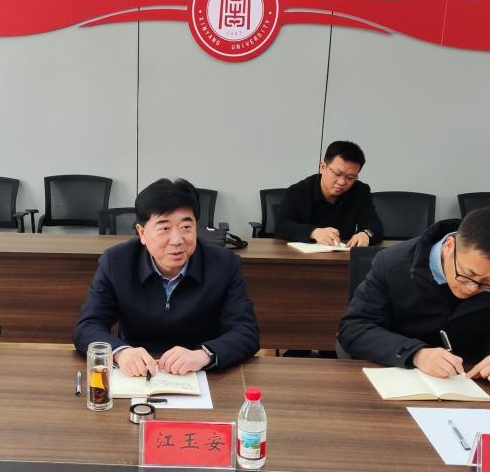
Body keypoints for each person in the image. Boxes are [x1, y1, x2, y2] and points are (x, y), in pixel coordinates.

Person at [338, 207, 490, 383]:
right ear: (449, 246)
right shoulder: (393, 263)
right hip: (396, 374)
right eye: (467, 275)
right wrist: (416, 354)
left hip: (469, 381)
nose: (472, 288)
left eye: (489, 283)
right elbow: (355, 328)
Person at [73, 178, 259, 376]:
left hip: (200, 372)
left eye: (186, 227)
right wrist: (120, 352)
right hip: (137, 372)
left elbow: (246, 331)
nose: (177, 240)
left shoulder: (223, 263)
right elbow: (88, 326)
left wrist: (204, 355)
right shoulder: (116, 262)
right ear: (142, 233)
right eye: (164, 228)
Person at [276, 140, 384, 247]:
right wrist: (313, 232)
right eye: (337, 174)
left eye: (350, 177)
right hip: (303, 255)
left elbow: (375, 226)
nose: (342, 182)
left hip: (342, 255)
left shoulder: (360, 191)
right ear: (323, 167)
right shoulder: (299, 191)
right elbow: (281, 226)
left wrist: (365, 234)